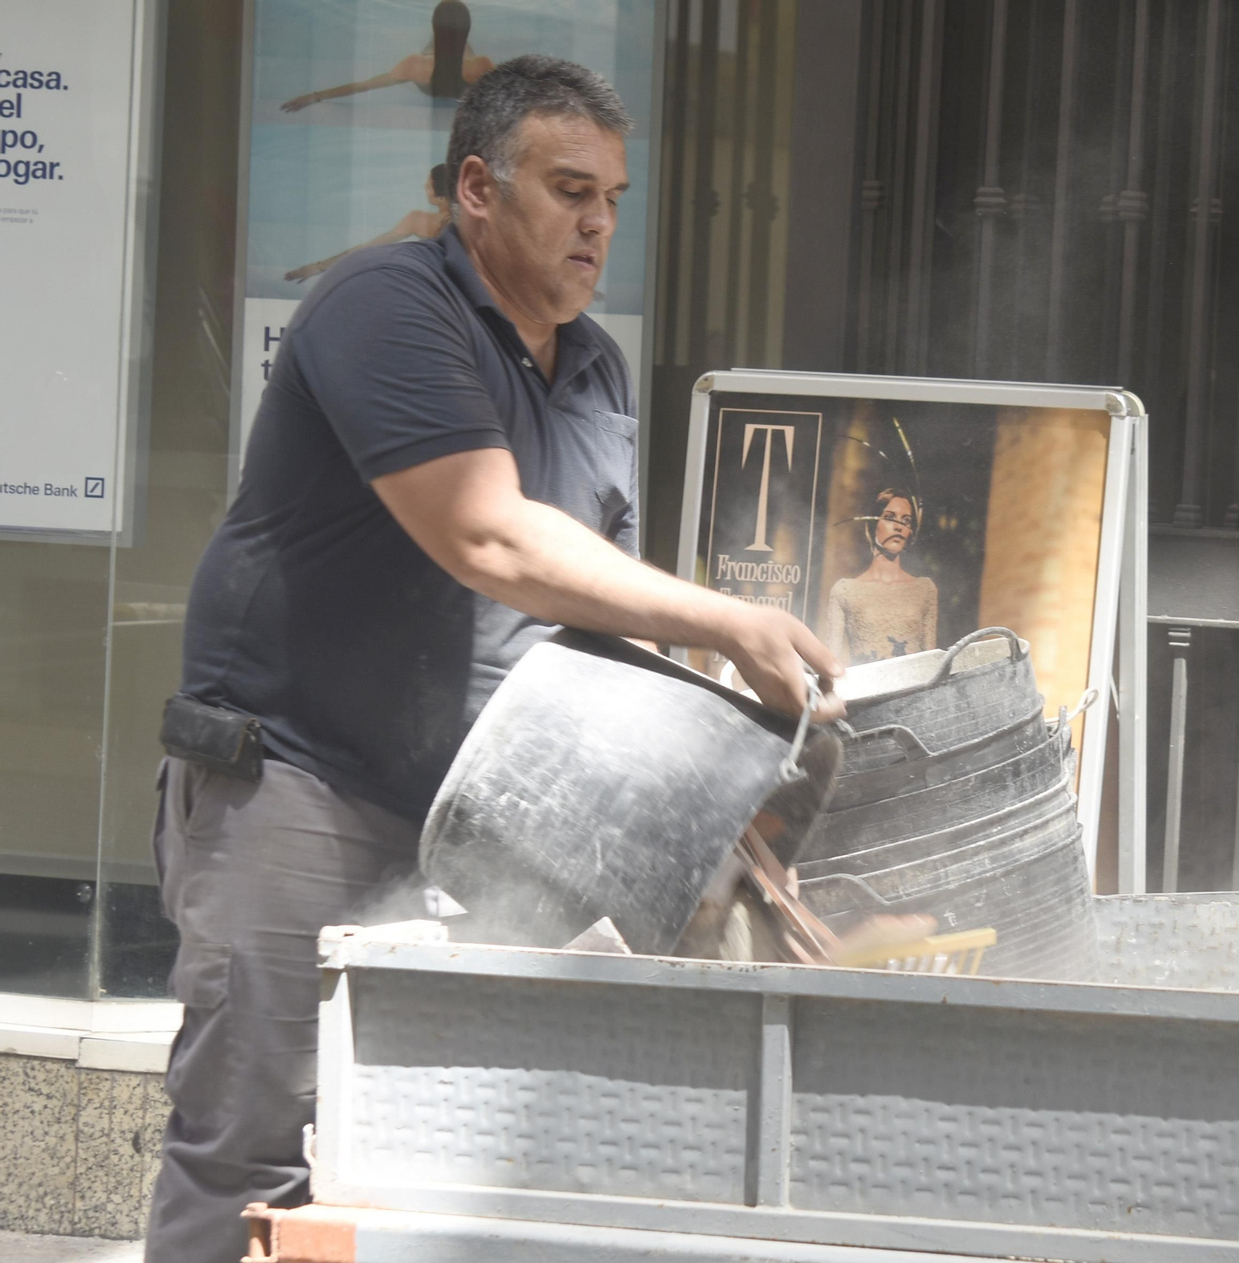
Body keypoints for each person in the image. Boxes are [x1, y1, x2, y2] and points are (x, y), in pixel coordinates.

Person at [146, 54, 842, 1263]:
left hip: (478, 824)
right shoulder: (383, 305)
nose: (598, 224)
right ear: (477, 185)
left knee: (442, 1164)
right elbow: (485, 532)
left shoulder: (595, 369)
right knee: (254, 1147)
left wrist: (724, 762)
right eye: (569, 190)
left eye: (614, 198)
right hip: (295, 789)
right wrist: (723, 619)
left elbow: (587, 611)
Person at [280, 0, 493, 112]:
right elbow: (509, 91)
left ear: (433, 27)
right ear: (468, 29)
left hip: (430, 81)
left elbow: (363, 86)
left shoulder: (414, 65)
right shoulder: (481, 65)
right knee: (460, 49)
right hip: (460, 84)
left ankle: (448, 28)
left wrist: (316, 96)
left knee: (440, 47)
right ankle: (453, 30)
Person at [826, 486, 938, 666]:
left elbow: (932, 662)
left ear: (910, 532)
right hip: (865, 689)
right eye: (889, 518)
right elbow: (832, 661)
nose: (899, 527)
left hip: (914, 689)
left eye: (906, 521)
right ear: (872, 526)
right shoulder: (845, 591)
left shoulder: (924, 590)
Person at [284, 163, 453, 283]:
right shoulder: (467, 222)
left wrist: (319, 267)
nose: (424, 187)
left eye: (428, 186)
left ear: (440, 197)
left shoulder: (418, 220)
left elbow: (365, 249)